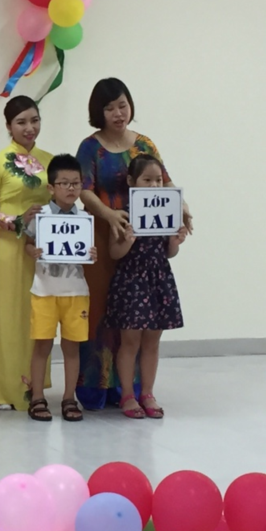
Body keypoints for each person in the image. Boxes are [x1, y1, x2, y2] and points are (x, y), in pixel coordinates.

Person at [74, 78, 192, 410]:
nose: (118, 113)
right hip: (105, 237)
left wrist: (183, 208)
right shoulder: (90, 147)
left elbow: (166, 183)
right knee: (101, 312)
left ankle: (133, 389)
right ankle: (97, 386)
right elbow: (84, 189)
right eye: (110, 108)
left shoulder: (145, 144)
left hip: (145, 244)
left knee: (140, 319)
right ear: (98, 112)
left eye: (122, 105)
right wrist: (109, 215)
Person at [0, 95, 53, 411]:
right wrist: (15, 221)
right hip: (9, 248)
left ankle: (35, 388)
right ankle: (3, 390)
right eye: (21, 122)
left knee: (39, 316)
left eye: (34, 120)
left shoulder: (50, 161)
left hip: (43, 250)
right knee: (7, 316)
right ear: (8, 126)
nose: (29, 127)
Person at [107, 154, 187, 418]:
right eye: (147, 180)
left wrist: (175, 242)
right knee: (130, 341)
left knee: (153, 340)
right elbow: (114, 252)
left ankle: (148, 393)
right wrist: (127, 241)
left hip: (158, 279)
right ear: (132, 182)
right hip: (131, 281)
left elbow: (169, 253)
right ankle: (128, 395)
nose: (154, 186)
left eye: (158, 181)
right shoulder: (123, 214)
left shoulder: (167, 211)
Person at [23, 154, 95, 423]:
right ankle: (37, 397)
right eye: (64, 183)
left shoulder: (84, 217)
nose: (71, 188)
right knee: (42, 345)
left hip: (76, 292)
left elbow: (87, 253)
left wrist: (92, 254)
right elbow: (27, 244)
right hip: (44, 291)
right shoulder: (40, 215)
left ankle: (68, 397)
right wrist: (32, 251)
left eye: (76, 183)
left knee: (72, 348)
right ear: (51, 188)